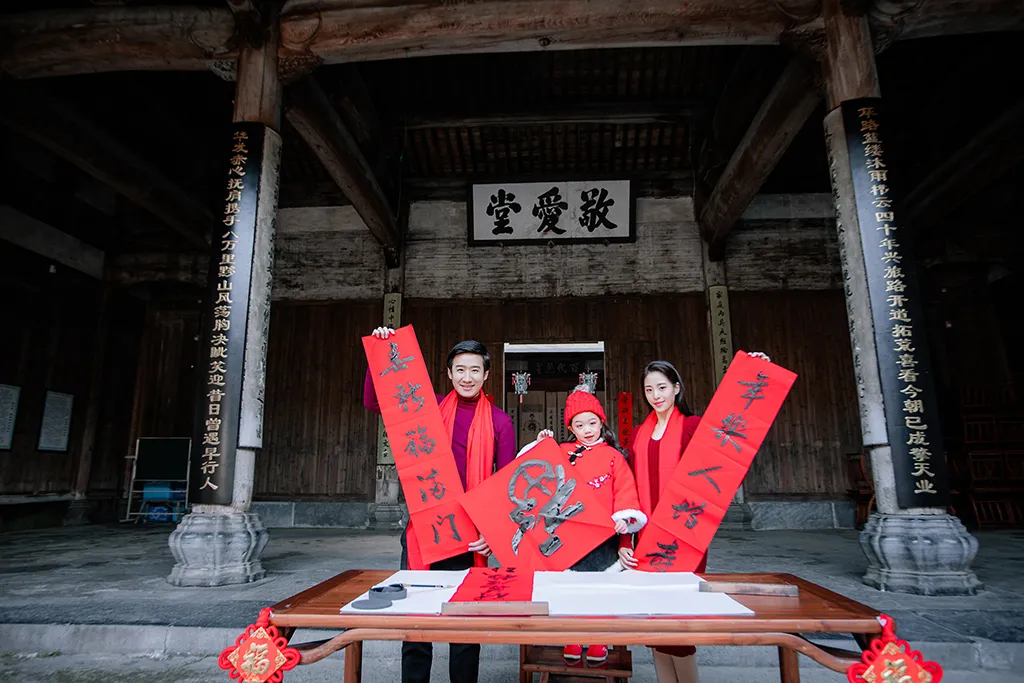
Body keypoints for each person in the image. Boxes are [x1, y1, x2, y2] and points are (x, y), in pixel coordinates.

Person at [364, 327, 517, 683]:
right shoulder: (427, 405)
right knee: (416, 623)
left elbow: (506, 487)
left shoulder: (500, 422)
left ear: (486, 375)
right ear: (449, 374)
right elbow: (376, 400)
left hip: (471, 536)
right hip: (424, 532)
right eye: (460, 370)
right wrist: (383, 351)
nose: (467, 377)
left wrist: (493, 535)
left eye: (475, 370)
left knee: (465, 629)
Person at [620, 355, 768, 683]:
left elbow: (729, 446)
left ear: (676, 388)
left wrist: (757, 372)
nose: (655, 395)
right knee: (656, 626)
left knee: (680, 627)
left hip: (684, 537)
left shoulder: (692, 426)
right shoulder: (639, 435)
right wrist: (625, 541)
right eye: (649, 389)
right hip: (647, 540)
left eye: (662, 387)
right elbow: (629, 493)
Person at [518, 385, 646, 665]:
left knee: (601, 589)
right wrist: (541, 444)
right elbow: (535, 472)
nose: (587, 429)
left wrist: (625, 532)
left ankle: (599, 637)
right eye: (579, 424)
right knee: (571, 588)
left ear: (602, 421)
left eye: (592, 422)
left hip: (604, 537)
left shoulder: (614, 456)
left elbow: (625, 494)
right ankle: (572, 634)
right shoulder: (562, 452)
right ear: (570, 427)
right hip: (568, 535)